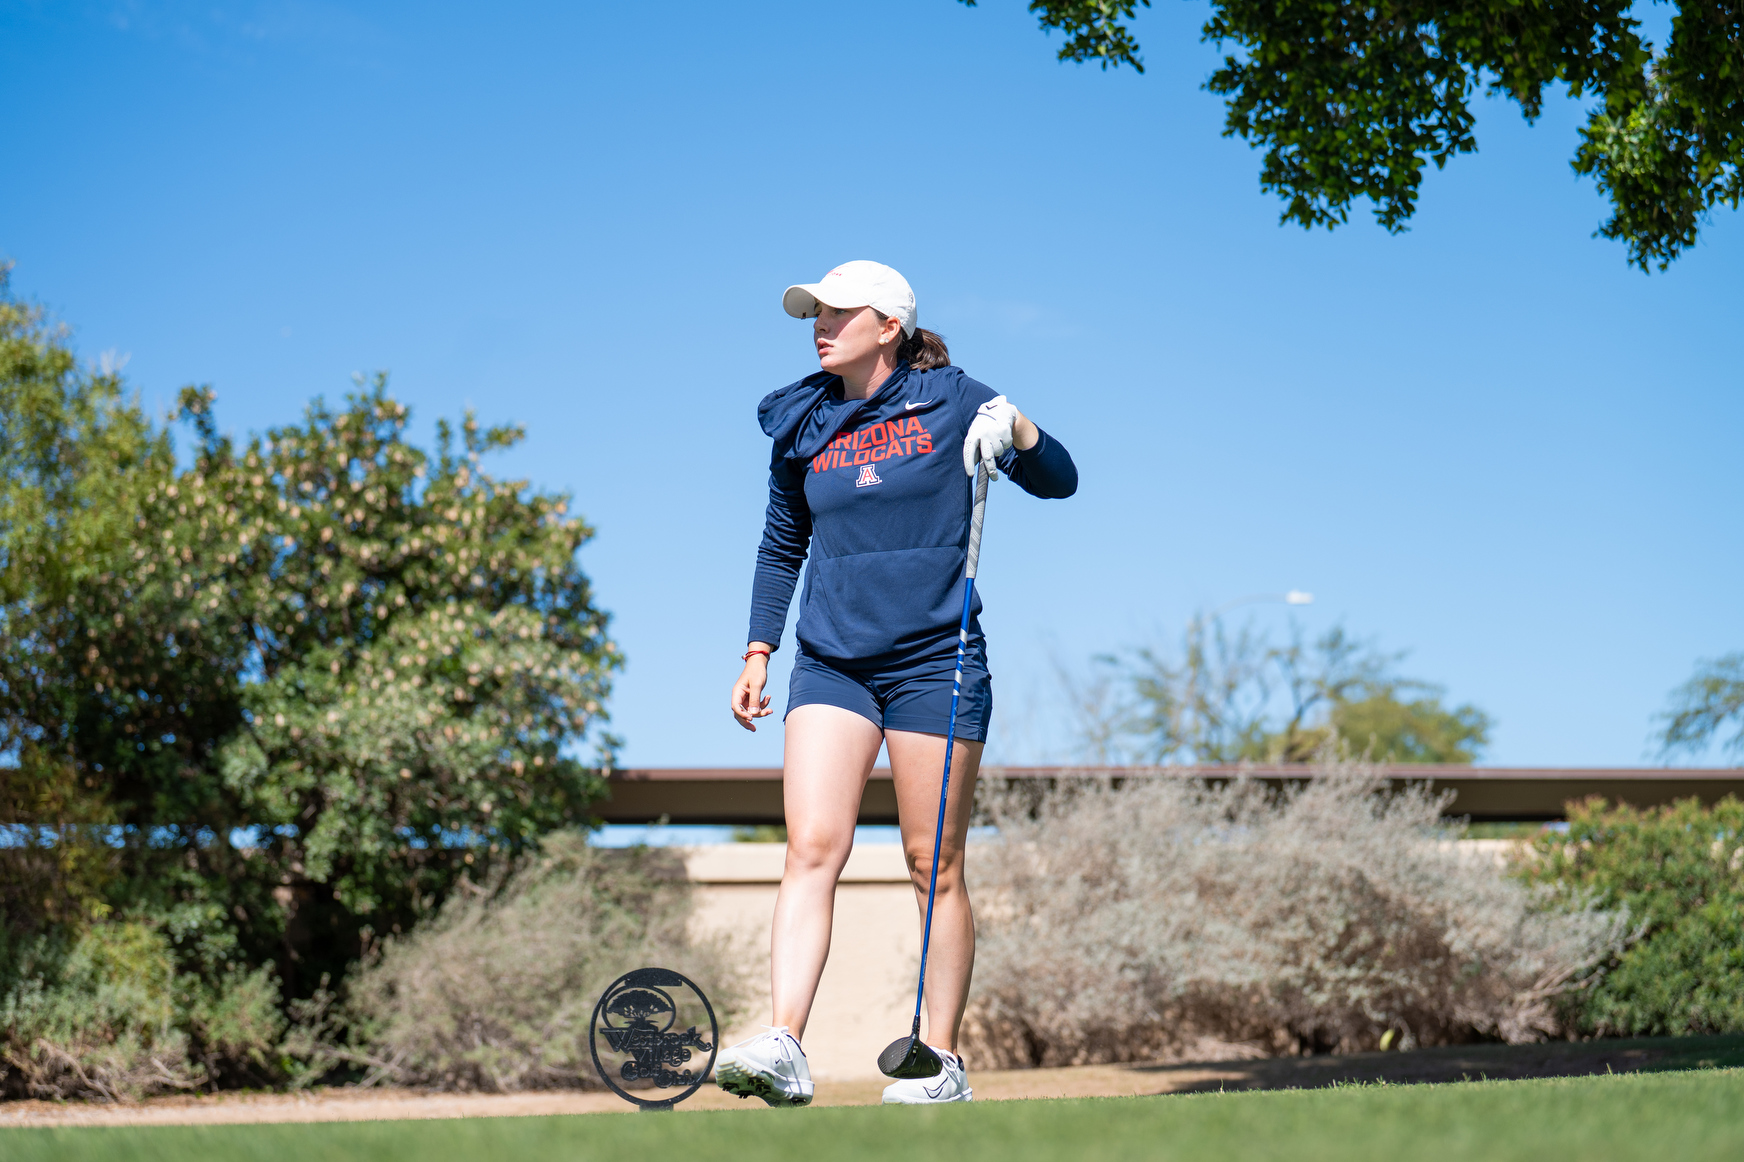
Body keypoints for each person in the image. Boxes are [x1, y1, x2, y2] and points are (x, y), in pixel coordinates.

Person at [712, 262, 1078, 1107]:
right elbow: (780, 545)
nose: (820, 323)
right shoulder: (804, 421)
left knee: (932, 864)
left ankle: (940, 1062)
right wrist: (758, 650)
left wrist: (1016, 428)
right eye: (815, 312)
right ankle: (785, 1046)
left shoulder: (955, 400)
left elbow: (1060, 479)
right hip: (832, 659)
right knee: (811, 848)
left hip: (932, 661)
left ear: (890, 325)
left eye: (840, 312)